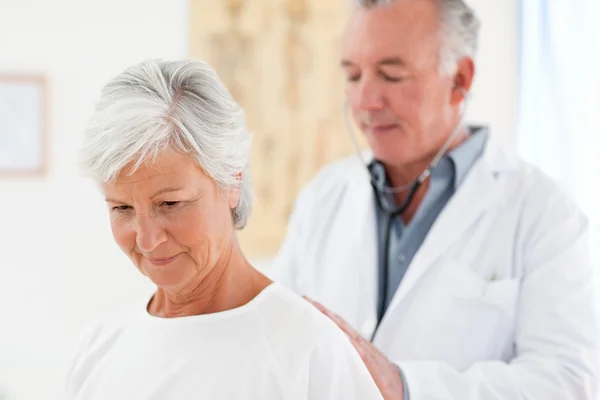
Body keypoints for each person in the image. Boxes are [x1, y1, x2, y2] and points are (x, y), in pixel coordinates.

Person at [271, 0, 598, 399]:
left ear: (460, 78)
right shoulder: (324, 197)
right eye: (353, 76)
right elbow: (276, 339)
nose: (366, 101)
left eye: (391, 76)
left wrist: (405, 386)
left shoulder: (542, 211)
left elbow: (566, 381)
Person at [64, 58, 384, 400]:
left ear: (231, 182)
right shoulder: (98, 350)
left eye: (170, 204)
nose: (146, 239)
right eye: (122, 209)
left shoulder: (307, 349)